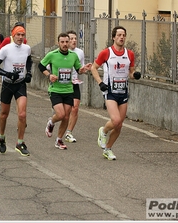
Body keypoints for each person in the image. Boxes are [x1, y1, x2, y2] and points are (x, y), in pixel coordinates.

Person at [90, 26, 141, 160]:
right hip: (110, 91)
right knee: (116, 120)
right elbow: (93, 68)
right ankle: (104, 130)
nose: (121, 37)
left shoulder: (129, 54)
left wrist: (134, 75)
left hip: (123, 91)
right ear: (113, 37)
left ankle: (108, 149)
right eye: (118, 35)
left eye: (123, 35)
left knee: (119, 125)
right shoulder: (106, 53)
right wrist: (100, 82)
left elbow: (130, 72)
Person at [39, 32, 91, 150]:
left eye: (67, 42)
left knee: (66, 116)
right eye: (62, 42)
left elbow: (79, 69)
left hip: (68, 89)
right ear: (58, 43)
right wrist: (49, 75)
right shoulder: (52, 55)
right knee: (61, 114)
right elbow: (41, 66)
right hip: (55, 89)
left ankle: (59, 140)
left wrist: (84, 69)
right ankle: (51, 122)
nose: (65, 44)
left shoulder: (73, 55)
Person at [0, 25, 32, 156]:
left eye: (23, 35)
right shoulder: (6, 49)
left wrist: (29, 73)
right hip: (8, 84)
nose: (20, 38)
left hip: (20, 84)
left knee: (22, 115)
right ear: (13, 35)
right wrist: (7, 74)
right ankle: (2, 137)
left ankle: (20, 143)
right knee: (4, 114)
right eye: (18, 35)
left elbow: (29, 62)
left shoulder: (27, 48)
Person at [64, 30, 92, 143]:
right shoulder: (59, 53)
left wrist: (84, 69)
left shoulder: (80, 52)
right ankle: (54, 119)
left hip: (74, 83)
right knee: (64, 112)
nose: (74, 41)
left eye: (75, 38)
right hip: (61, 84)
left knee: (75, 108)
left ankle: (69, 133)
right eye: (71, 39)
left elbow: (79, 70)